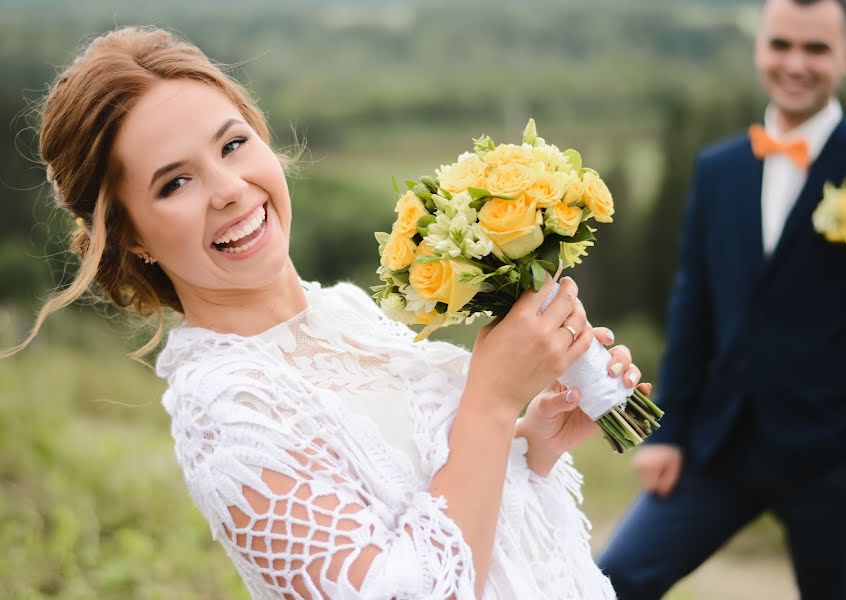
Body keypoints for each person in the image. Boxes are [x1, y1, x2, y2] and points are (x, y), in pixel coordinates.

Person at [6, 26, 653, 599]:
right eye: (175, 183)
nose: (229, 189)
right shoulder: (227, 410)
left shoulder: (341, 311)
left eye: (232, 145)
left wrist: (531, 441)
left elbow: (445, 504)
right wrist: (489, 398)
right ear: (130, 237)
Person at [598, 0, 846, 598]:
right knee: (615, 577)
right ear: (759, 47)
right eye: (781, 44)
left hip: (832, 458)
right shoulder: (718, 169)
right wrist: (667, 433)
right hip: (721, 444)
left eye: (815, 49)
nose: (796, 63)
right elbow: (694, 308)